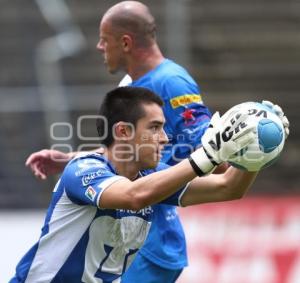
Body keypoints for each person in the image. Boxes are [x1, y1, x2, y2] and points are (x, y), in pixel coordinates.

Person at [24, 1, 289, 282]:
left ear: (125, 42)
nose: (100, 47)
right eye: (156, 128)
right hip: (125, 229)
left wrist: (254, 147)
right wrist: (71, 158)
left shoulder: (171, 82)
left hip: (148, 240)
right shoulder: (132, 86)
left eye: (104, 40)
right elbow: (123, 153)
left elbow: (218, 164)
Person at [11, 86, 265, 282]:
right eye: (154, 128)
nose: (164, 139)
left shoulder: (148, 177)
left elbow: (228, 187)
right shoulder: (84, 170)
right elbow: (134, 196)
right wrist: (207, 156)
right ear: (123, 132)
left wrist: (256, 152)